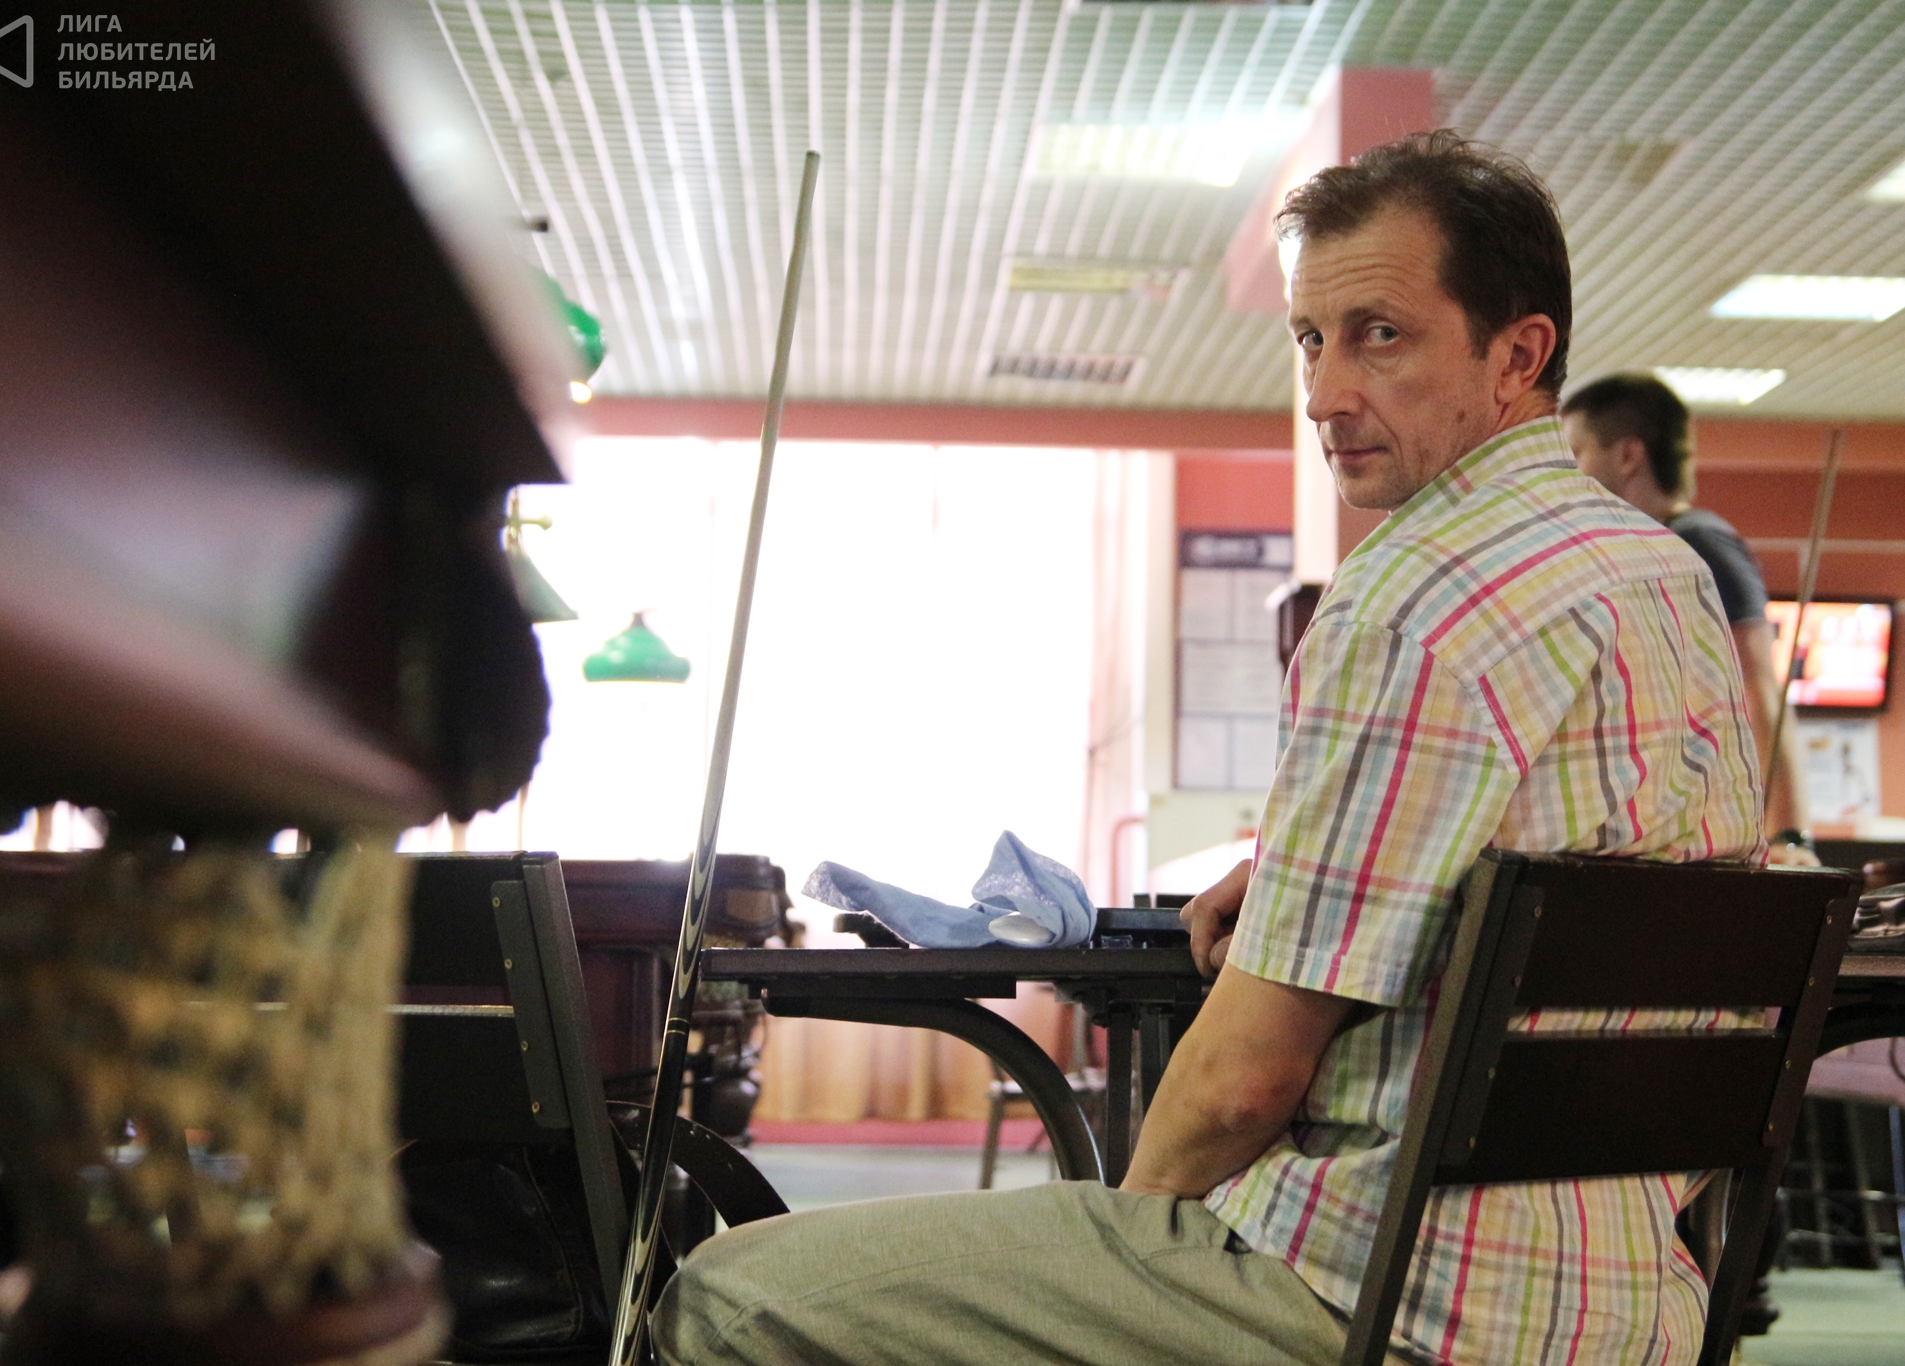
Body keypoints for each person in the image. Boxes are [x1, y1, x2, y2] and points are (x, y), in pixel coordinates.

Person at [652, 131, 1763, 1366]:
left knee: (725, 1295)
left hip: (1381, 1296)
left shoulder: (1408, 600)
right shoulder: (1664, 579)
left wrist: (1107, 1249)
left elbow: (1242, 1082)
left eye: (1378, 336)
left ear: (1518, 353)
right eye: (1309, 338)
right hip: (1628, 1311)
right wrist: (1300, 890)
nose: (1323, 393)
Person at [1562, 373, 1817, 865]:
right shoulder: (1629, 552)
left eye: (1577, 453)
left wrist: (1789, 834)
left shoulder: (1699, 543)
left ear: (1628, 455)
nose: (1568, 473)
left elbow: (1758, 690)